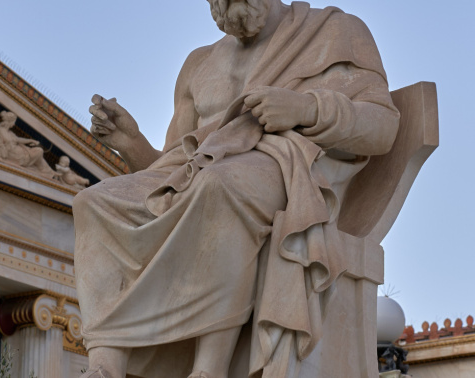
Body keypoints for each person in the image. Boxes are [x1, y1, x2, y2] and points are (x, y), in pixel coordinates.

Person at [74, 0, 401, 377]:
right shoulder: (198, 64)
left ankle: (209, 369)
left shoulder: (332, 33)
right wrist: (131, 142)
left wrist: (305, 109)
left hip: (282, 165)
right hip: (204, 172)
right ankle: (105, 365)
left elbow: (383, 126)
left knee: (219, 184)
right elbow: (170, 177)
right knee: (93, 202)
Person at [0, 111, 56, 178]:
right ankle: (47, 172)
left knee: (39, 151)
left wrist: (31, 140)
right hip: (16, 156)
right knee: (39, 151)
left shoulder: (10, 133)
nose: (13, 125)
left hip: (19, 153)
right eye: (13, 122)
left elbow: (18, 139)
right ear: (10, 122)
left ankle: (48, 172)